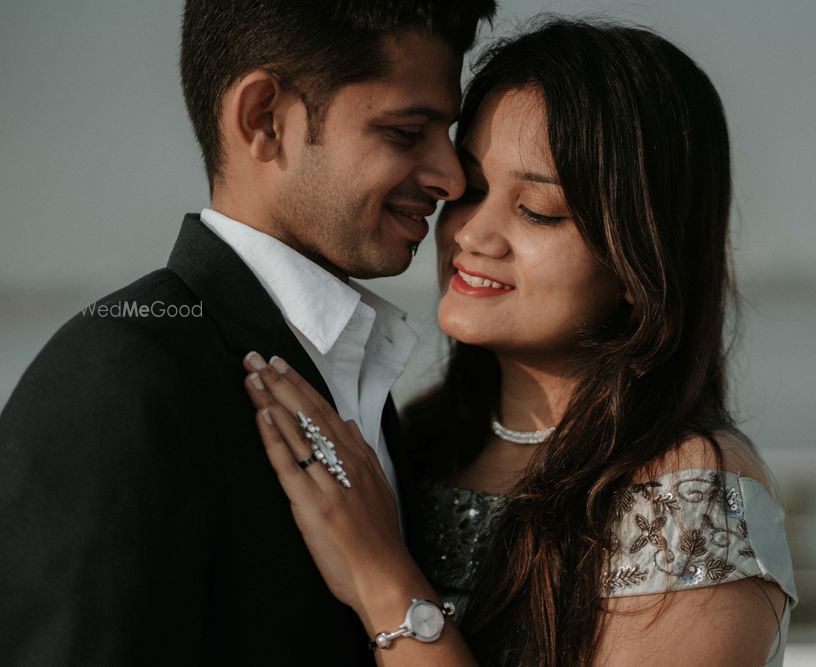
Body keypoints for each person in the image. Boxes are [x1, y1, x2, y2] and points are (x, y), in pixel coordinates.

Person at [241, 17, 798, 667]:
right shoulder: (417, 442)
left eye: (537, 210)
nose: (473, 233)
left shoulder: (686, 493)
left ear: (639, 257)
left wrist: (380, 579)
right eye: (471, 191)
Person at [0, 1, 496, 664]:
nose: (451, 177)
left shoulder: (355, 372)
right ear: (264, 118)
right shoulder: (118, 379)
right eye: (406, 133)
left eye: (446, 133)